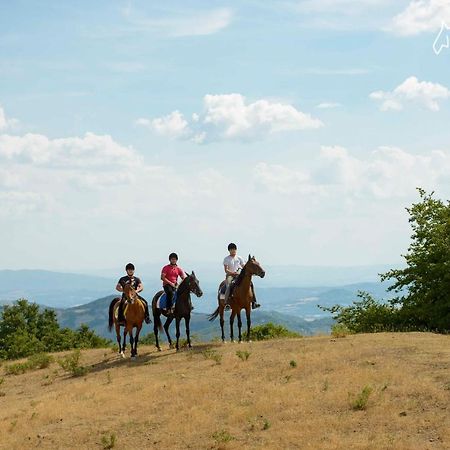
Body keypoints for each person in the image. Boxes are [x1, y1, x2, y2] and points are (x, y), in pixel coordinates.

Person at [223, 243, 260, 309]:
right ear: (229, 250)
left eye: (234, 249)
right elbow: (226, 270)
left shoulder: (239, 258)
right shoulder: (226, 259)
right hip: (230, 275)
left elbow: (244, 267)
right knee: (229, 285)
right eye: (231, 250)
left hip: (239, 274)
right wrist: (233, 273)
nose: (233, 251)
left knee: (250, 283)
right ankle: (227, 303)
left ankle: (254, 302)